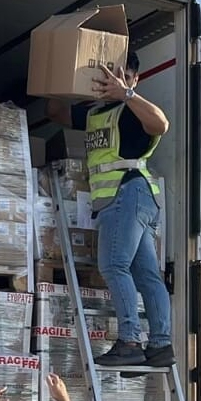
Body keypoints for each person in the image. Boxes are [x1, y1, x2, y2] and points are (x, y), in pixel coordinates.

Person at [47, 50, 174, 369]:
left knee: (114, 266)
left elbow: (161, 123)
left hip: (128, 193)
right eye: (111, 76)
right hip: (123, 200)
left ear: (135, 78)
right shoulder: (95, 113)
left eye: (124, 76)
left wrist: (127, 94)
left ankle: (130, 340)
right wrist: (65, 76)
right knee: (145, 275)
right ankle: (160, 345)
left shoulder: (132, 110)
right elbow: (56, 112)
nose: (116, 82)